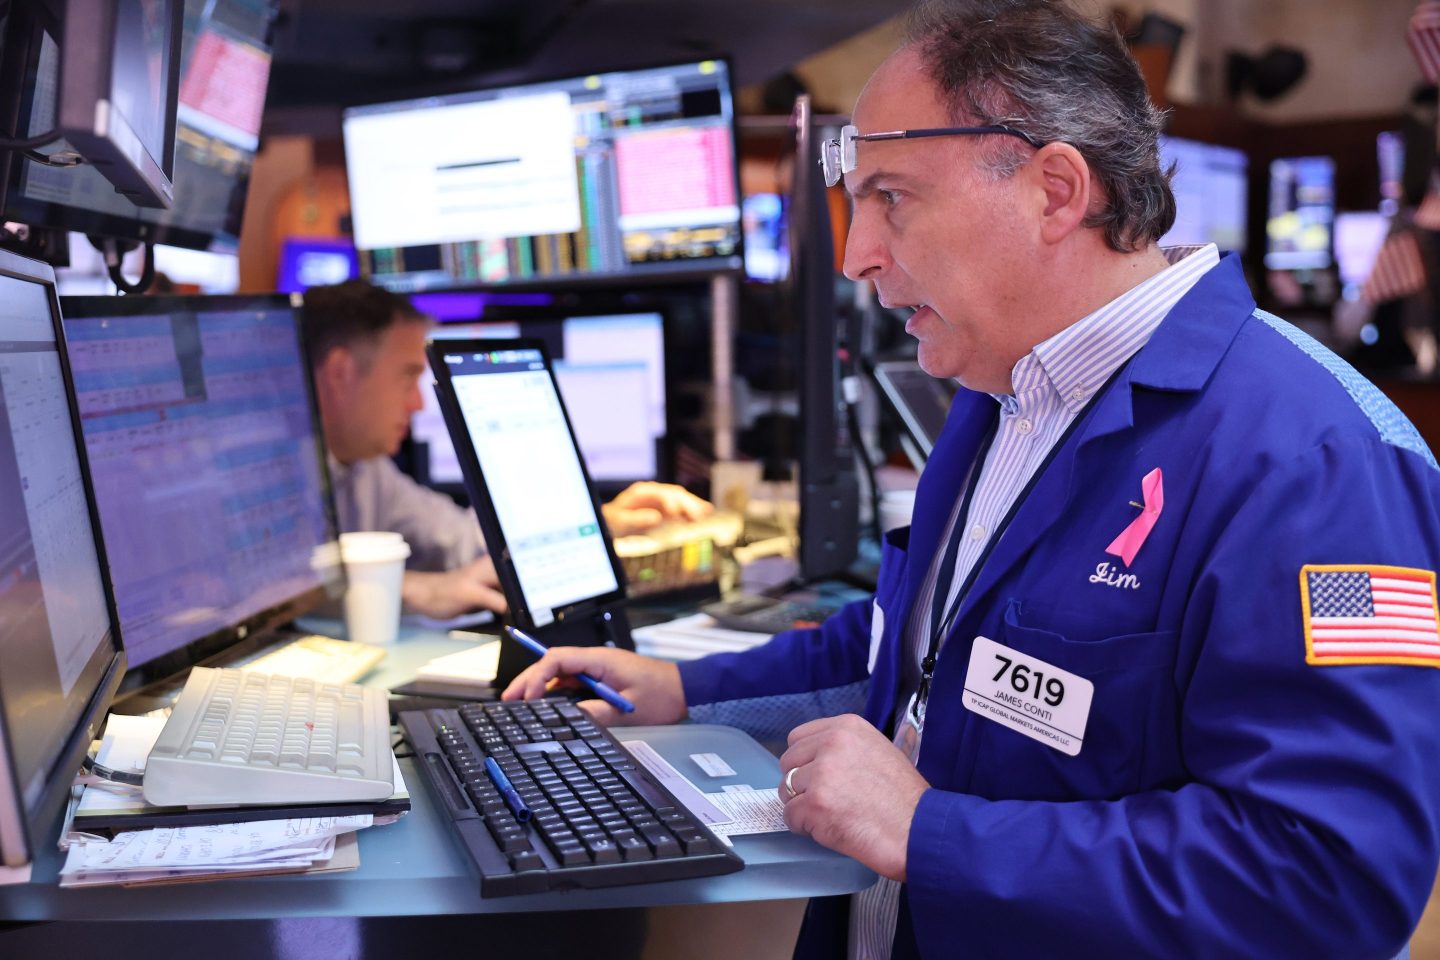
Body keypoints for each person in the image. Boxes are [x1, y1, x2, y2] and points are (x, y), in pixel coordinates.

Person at [503, 1, 1440, 956]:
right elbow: (918, 649)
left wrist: (930, 833)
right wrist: (680, 687)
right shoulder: (1008, 392)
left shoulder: (1324, 460)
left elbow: (1329, 880)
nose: (859, 253)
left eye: (892, 197)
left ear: (1055, 191)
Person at [301, 280, 712, 619]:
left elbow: (462, 539)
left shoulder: (366, 467)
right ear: (340, 372)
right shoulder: (277, 471)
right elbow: (280, 593)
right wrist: (415, 588)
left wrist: (599, 523)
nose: (419, 404)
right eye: (408, 378)